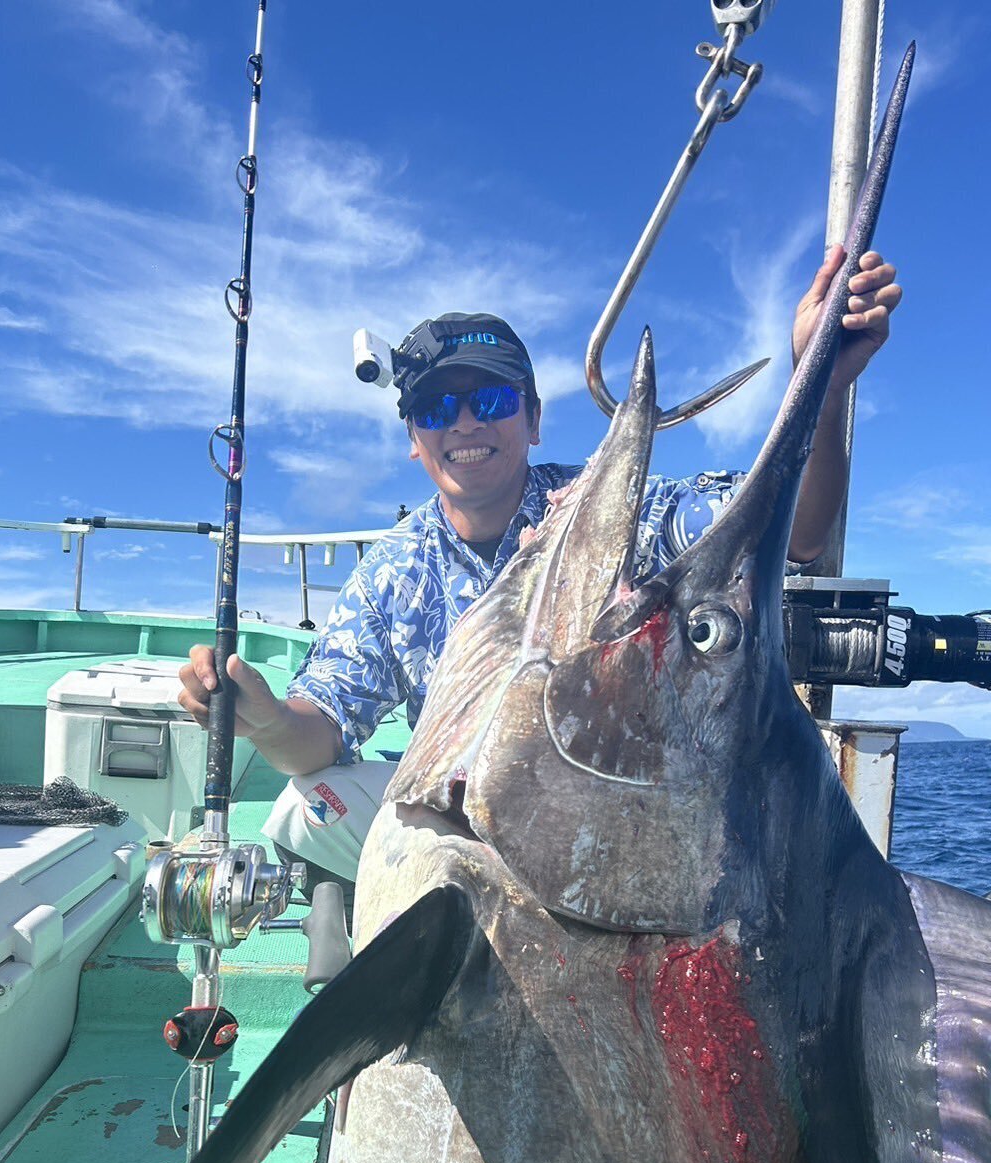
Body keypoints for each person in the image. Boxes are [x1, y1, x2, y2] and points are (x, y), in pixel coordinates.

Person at [179, 245, 902, 894]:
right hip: (462, 829)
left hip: (616, 816)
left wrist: (823, 382)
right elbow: (325, 728)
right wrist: (265, 718)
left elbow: (795, 531)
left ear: (532, 420)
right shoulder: (393, 571)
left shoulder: (615, 509)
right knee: (305, 806)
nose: (464, 422)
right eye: (436, 407)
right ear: (413, 438)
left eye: (490, 399)